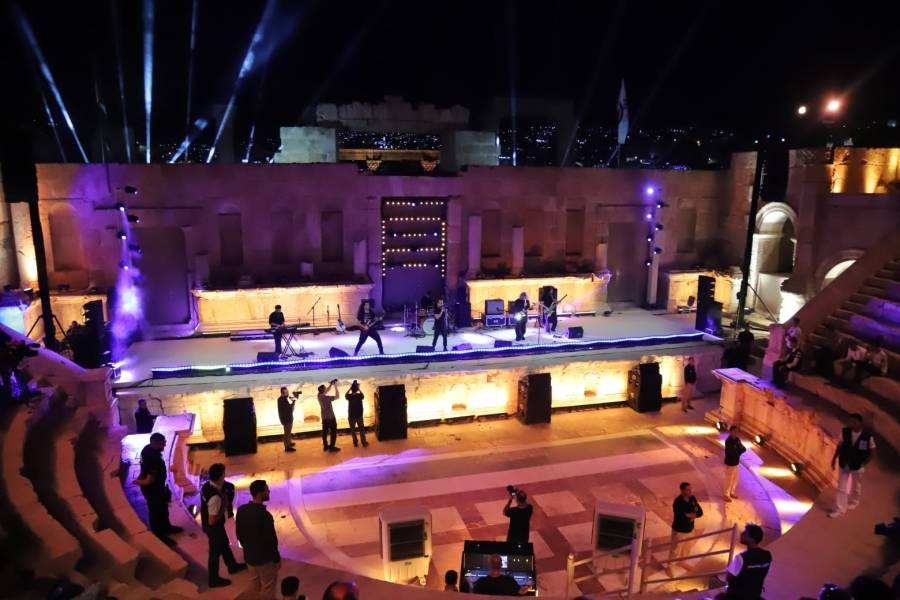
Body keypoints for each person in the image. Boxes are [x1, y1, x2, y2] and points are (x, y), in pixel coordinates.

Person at [132, 432, 183, 546]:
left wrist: (140, 476)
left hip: (160, 488)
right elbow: (149, 480)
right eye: (162, 444)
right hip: (153, 491)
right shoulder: (153, 459)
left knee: (163, 509)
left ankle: (167, 527)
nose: (164, 445)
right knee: (156, 513)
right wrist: (137, 482)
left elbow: (143, 467)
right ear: (155, 443)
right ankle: (159, 535)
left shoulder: (146, 449)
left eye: (165, 443)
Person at [201, 463, 247, 588]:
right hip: (213, 527)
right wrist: (224, 506)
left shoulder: (206, 486)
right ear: (221, 476)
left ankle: (232, 566)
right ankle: (213, 579)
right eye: (224, 473)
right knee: (215, 553)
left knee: (224, 544)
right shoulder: (215, 498)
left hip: (210, 525)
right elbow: (212, 520)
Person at [236, 480, 280, 598]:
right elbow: (271, 541)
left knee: (255, 585)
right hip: (264, 560)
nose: (269, 491)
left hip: (249, 558)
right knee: (269, 586)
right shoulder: (265, 516)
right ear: (260, 493)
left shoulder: (241, 510)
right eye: (267, 490)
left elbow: (239, 534)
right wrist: (276, 559)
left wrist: (248, 549)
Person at [828, 413, 875, 518]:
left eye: (854, 422)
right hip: (844, 462)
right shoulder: (845, 432)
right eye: (850, 422)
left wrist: (864, 464)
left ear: (860, 422)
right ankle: (840, 509)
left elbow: (872, 452)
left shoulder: (867, 436)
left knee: (856, 486)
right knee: (841, 487)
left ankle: (854, 502)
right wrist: (834, 458)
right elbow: (839, 446)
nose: (851, 424)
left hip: (857, 465)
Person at [725, 523, 772, 599]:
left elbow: (728, 578)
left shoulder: (741, 558)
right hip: (754, 596)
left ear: (752, 538)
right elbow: (764, 573)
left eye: (745, 533)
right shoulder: (767, 555)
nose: (741, 534)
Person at [667, 482, 703, 575]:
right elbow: (680, 516)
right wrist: (692, 515)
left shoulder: (692, 499)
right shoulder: (678, 502)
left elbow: (700, 512)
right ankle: (670, 566)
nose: (690, 491)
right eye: (688, 490)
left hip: (690, 529)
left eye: (691, 489)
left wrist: (691, 515)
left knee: (687, 548)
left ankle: (682, 561)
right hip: (680, 530)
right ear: (682, 491)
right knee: (675, 550)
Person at [723, 425, 746, 502]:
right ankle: (726, 494)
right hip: (730, 463)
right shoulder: (728, 441)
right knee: (728, 479)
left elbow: (743, 448)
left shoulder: (737, 439)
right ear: (730, 432)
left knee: (735, 478)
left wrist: (738, 451)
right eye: (734, 431)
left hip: (736, 462)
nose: (736, 433)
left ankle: (731, 492)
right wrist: (739, 451)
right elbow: (732, 453)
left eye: (737, 431)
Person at [318, 380, 340, 452]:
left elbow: (326, 391)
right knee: (333, 432)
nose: (326, 390)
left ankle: (325, 446)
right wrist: (335, 386)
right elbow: (337, 397)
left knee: (324, 432)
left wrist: (331, 384)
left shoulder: (319, 396)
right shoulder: (327, 398)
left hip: (324, 418)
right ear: (323, 390)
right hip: (330, 417)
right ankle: (332, 447)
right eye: (325, 388)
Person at [345, 380, 368, 447]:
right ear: (357, 389)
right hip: (359, 415)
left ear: (351, 389)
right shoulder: (359, 395)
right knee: (361, 430)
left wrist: (350, 388)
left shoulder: (349, 396)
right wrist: (358, 388)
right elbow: (363, 395)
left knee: (353, 430)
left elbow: (345, 395)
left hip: (351, 416)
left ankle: (355, 442)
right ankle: (364, 442)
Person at [277, 387, 297, 453]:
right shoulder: (282, 400)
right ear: (283, 393)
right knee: (287, 433)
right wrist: (294, 401)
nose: (288, 393)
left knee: (288, 433)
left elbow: (288, 408)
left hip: (285, 419)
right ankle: (287, 447)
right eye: (286, 392)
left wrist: (293, 400)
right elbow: (290, 409)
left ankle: (289, 443)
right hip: (287, 419)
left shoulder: (281, 399)